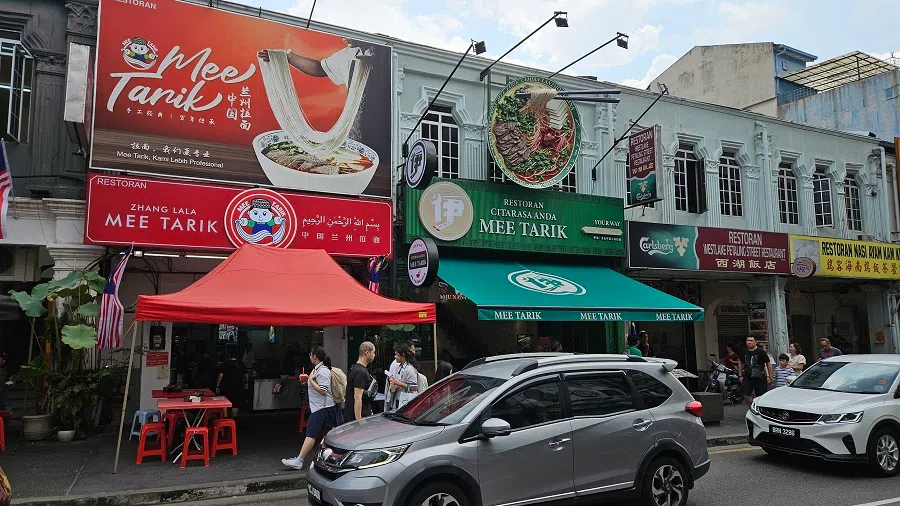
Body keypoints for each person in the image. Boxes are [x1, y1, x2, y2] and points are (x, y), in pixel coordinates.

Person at [282, 346, 340, 470]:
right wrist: (307, 381)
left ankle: (299, 460)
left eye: (310, 354)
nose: (309, 356)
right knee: (323, 434)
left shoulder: (323, 371)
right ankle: (325, 457)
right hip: (320, 407)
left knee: (311, 434)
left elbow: (323, 391)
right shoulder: (317, 369)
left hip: (322, 408)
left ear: (315, 356)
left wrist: (310, 380)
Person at [737, 336, 773, 406]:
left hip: (759, 377)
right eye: (748, 340)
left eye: (751, 340)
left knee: (760, 397)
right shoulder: (743, 351)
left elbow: (768, 364)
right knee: (746, 395)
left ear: (755, 342)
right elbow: (740, 363)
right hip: (747, 376)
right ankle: (753, 408)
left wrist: (770, 376)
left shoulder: (761, 352)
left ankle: (760, 410)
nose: (749, 342)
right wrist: (740, 375)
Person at [345, 341, 376, 423]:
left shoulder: (355, 368)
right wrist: (359, 419)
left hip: (354, 413)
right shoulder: (360, 372)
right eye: (373, 352)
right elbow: (357, 397)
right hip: (358, 416)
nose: (374, 355)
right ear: (367, 353)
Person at [386, 346, 418, 411]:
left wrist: (398, 383)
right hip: (398, 397)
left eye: (396, 355)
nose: (395, 357)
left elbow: (414, 387)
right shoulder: (399, 367)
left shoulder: (409, 369)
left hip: (407, 399)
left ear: (403, 355)